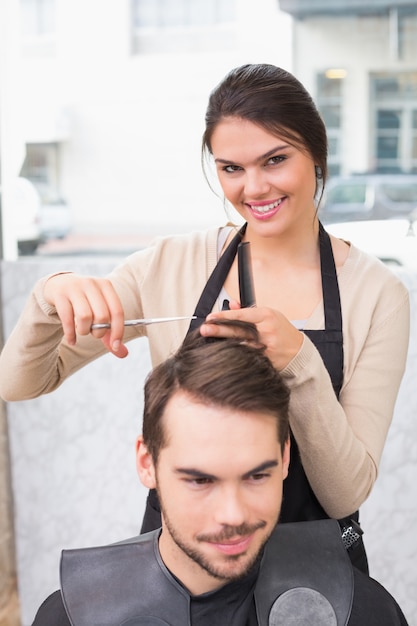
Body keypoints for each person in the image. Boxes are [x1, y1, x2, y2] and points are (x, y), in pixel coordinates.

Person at [0, 64, 410, 572]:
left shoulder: (377, 295)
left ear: (317, 157)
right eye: (231, 168)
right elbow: (18, 383)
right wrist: (50, 294)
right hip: (181, 570)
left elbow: (345, 491)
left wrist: (300, 363)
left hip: (309, 581)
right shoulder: (168, 265)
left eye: (275, 160)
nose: (254, 188)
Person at [31, 326, 409, 626]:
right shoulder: (71, 617)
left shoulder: (363, 611)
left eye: (257, 476)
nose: (233, 514)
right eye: (200, 480)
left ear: (284, 458)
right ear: (147, 464)